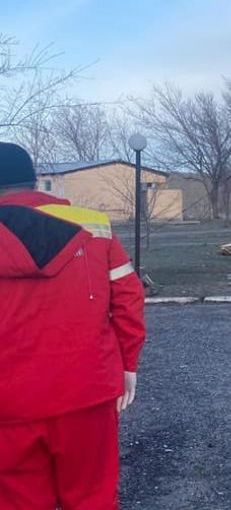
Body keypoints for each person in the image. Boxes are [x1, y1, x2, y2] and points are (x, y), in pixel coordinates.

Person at [0, 142, 146, 509]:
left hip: (8, 404)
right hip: (87, 389)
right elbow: (128, 298)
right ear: (34, 179)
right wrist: (128, 364)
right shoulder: (91, 223)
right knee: (92, 498)